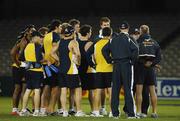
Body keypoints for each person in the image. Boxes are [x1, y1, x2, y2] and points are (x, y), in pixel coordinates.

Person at [102, 21, 138, 119]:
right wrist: (132, 61)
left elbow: (104, 50)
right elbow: (136, 50)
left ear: (119, 29)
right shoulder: (129, 38)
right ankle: (130, 114)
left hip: (116, 65)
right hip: (126, 64)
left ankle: (115, 114)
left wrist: (110, 60)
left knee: (115, 90)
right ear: (128, 28)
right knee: (128, 89)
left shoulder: (113, 39)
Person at [51, 23, 86, 117]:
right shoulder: (73, 42)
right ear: (72, 33)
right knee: (78, 89)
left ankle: (65, 112)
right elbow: (78, 54)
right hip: (71, 70)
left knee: (63, 90)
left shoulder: (60, 41)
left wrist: (58, 60)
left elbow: (52, 53)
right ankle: (79, 111)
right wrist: (78, 62)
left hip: (61, 69)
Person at [135, 25, 161, 118]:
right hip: (151, 69)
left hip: (140, 68)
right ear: (148, 32)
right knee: (152, 91)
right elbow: (159, 57)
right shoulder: (155, 42)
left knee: (139, 91)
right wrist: (152, 63)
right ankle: (154, 112)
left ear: (141, 32)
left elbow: (135, 56)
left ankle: (138, 112)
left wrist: (144, 62)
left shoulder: (138, 42)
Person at [86, 27, 113, 117]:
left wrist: (92, 65)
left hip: (98, 69)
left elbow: (87, 54)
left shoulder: (96, 43)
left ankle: (96, 111)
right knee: (110, 91)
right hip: (110, 69)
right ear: (110, 34)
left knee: (98, 91)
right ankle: (112, 112)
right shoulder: (111, 42)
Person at [10, 25, 36, 115]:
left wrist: (17, 64)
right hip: (22, 67)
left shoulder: (24, 40)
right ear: (27, 32)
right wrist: (19, 63)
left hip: (18, 67)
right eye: (32, 31)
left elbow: (13, 52)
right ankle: (22, 110)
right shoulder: (24, 41)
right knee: (23, 88)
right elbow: (15, 53)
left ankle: (15, 110)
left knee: (18, 88)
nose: (34, 32)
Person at [19, 31, 44, 116]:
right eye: (39, 37)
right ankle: (36, 111)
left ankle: (23, 110)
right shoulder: (37, 45)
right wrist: (45, 60)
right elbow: (39, 59)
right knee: (37, 90)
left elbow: (21, 57)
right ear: (35, 37)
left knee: (28, 90)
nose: (40, 39)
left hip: (28, 70)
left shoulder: (27, 46)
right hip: (36, 71)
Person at [40, 19, 62, 115]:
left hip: (46, 65)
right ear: (56, 27)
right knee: (56, 87)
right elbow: (53, 52)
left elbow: (42, 50)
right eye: (60, 26)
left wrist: (45, 59)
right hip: (53, 65)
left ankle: (44, 108)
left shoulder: (46, 36)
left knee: (47, 86)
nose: (61, 28)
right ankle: (51, 109)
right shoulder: (55, 35)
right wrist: (58, 61)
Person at [78, 25, 95, 112]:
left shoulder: (76, 42)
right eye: (90, 32)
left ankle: (77, 109)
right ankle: (93, 110)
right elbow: (91, 57)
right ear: (88, 33)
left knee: (78, 90)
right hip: (88, 69)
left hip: (78, 68)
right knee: (91, 90)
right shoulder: (89, 43)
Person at [68, 18, 81, 114]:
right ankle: (74, 108)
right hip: (72, 65)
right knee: (75, 89)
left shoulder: (77, 36)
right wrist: (77, 61)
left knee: (72, 89)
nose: (79, 28)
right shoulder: (71, 38)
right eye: (77, 27)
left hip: (74, 65)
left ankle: (72, 108)